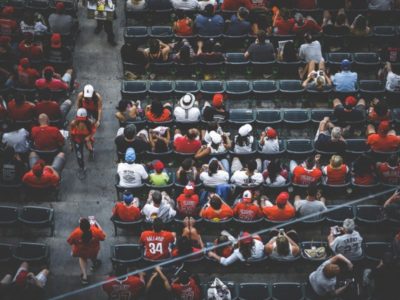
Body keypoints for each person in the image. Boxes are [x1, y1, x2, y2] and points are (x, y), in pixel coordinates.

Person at [67, 218, 106, 285]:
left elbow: (70, 242)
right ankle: (95, 264)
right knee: (93, 257)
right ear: (89, 225)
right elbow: (103, 237)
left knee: (82, 258)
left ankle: (84, 277)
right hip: (93, 250)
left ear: (80, 226)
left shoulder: (76, 232)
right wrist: (96, 222)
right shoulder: (95, 231)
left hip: (81, 251)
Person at [70, 108, 96, 179]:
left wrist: (89, 136)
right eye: (79, 118)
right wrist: (71, 144)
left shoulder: (90, 122)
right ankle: (81, 167)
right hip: (77, 140)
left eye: (83, 119)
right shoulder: (73, 123)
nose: (81, 120)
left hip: (86, 138)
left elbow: (93, 131)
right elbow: (71, 134)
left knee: (89, 148)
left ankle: (91, 152)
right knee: (79, 155)